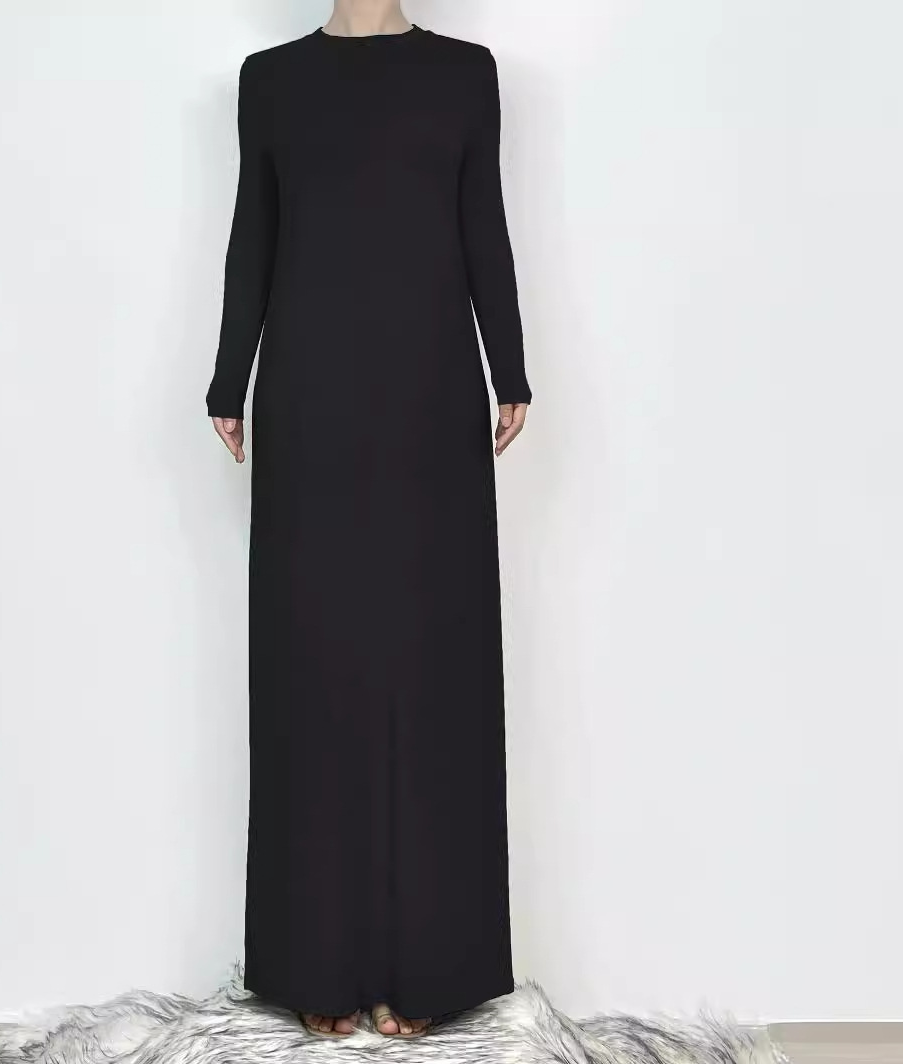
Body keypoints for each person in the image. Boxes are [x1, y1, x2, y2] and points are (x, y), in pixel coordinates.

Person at [206, 0, 531, 1040]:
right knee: (315, 671)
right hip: (309, 400)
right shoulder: (270, 81)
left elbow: (481, 222)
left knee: (430, 674)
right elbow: (255, 231)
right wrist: (228, 375)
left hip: (429, 396)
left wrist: (510, 364)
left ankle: (428, 968)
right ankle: (318, 960)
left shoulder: (465, 74)